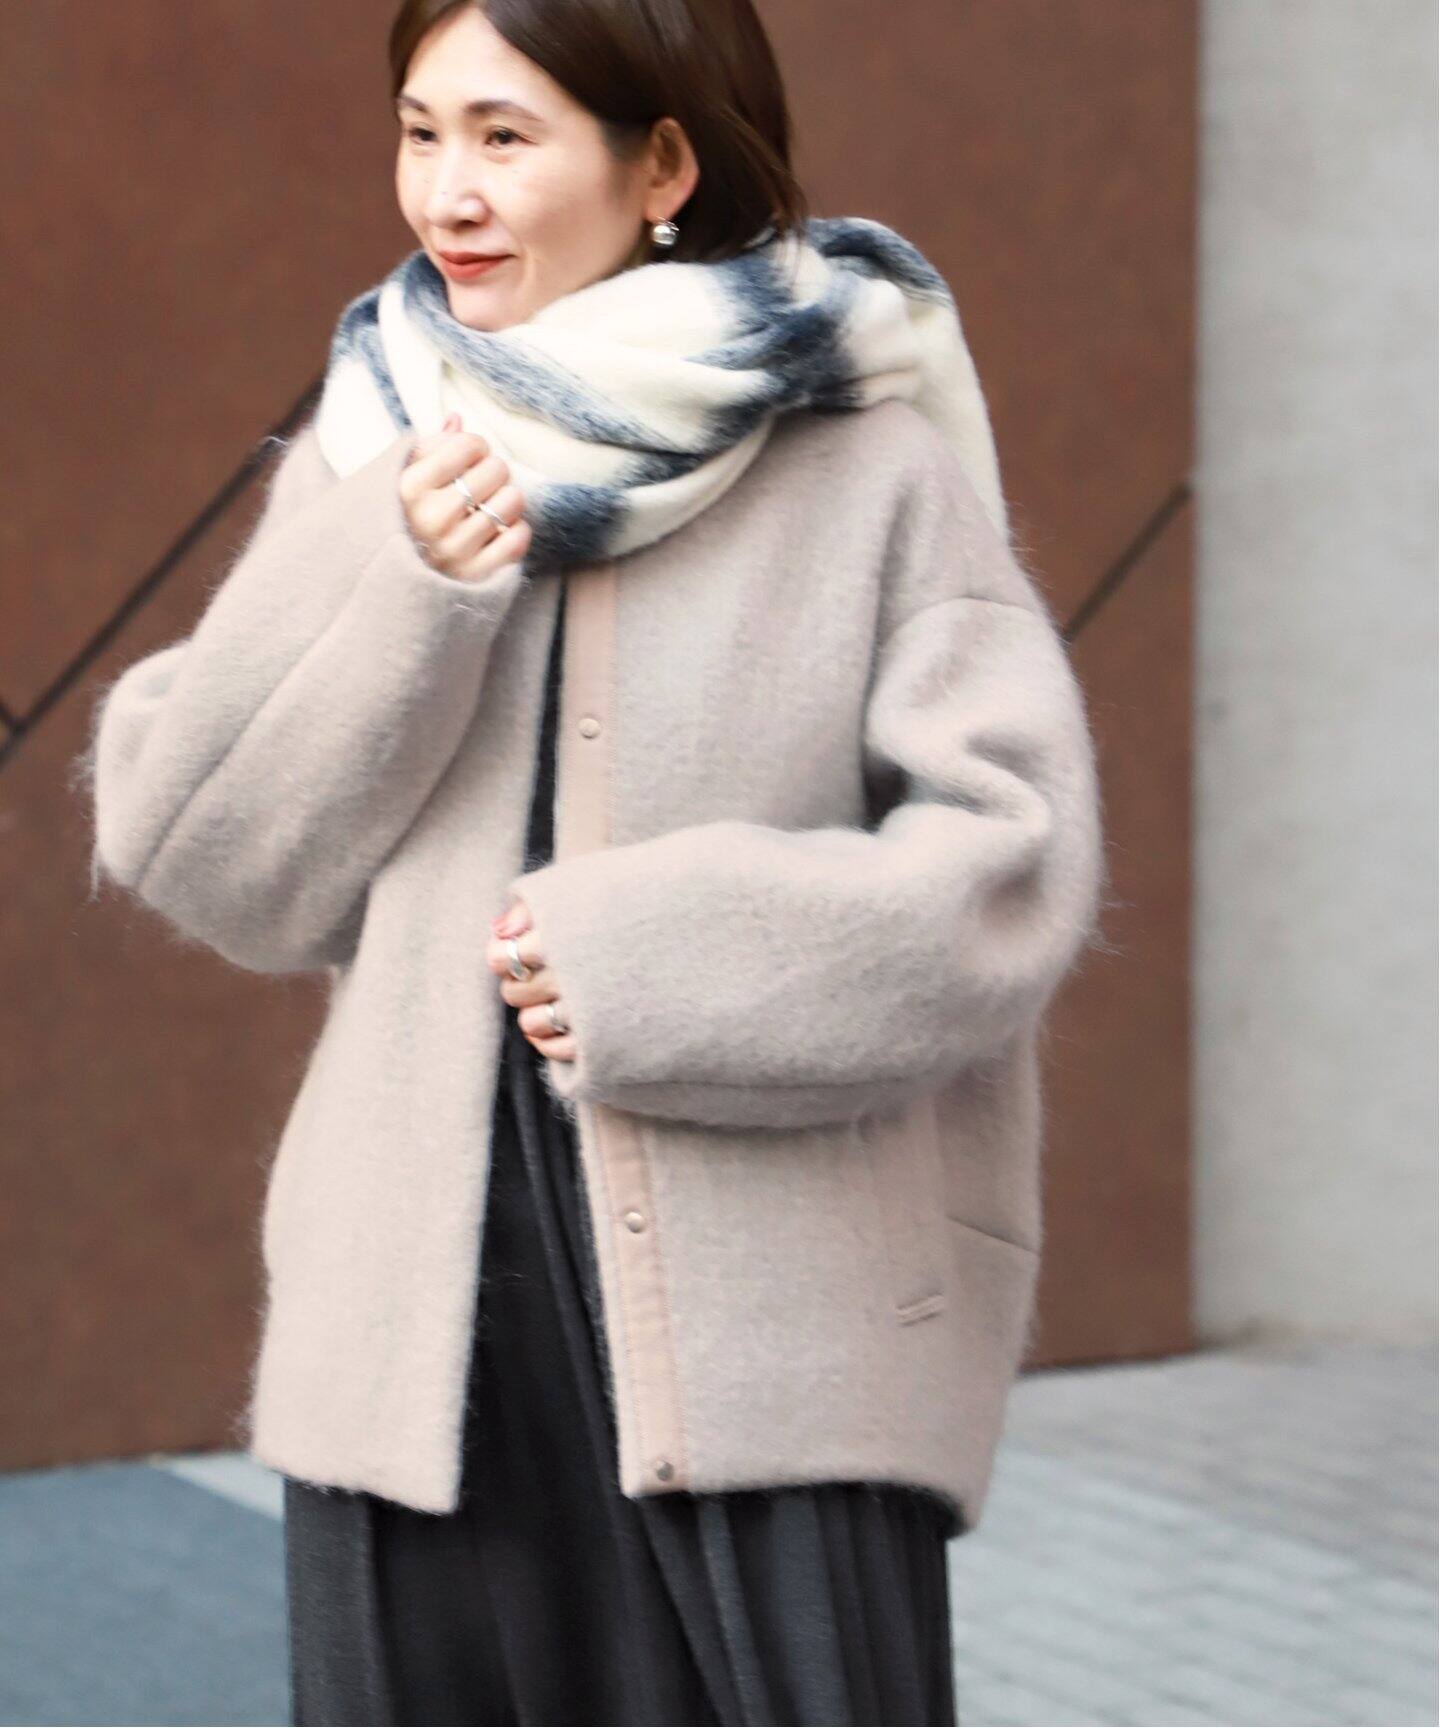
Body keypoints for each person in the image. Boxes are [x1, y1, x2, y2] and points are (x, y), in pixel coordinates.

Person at [80, 0, 1106, 1721]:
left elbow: (1011, 867)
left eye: (505, 136)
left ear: (664, 165)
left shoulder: (866, 465)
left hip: (769, 1346)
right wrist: (393, 587)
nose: (448, 191)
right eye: (421, 132)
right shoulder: (377, 450)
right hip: (424, 1343)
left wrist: (666, 964)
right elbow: (205, 860)